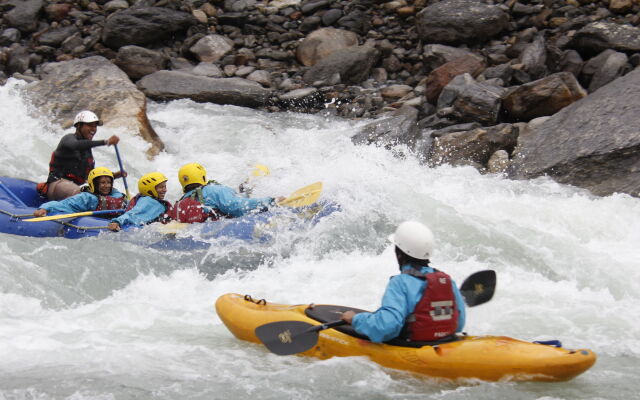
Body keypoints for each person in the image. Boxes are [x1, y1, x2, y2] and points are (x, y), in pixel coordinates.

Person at [340, 221, 466, 343]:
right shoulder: (447, 281)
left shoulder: (400, 283)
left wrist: (356, 319)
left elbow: (387, 327)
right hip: (446, 343)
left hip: (414, 348)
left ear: (399, 254)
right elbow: (459, 324)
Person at [40, 110, 124, 201]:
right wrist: (106, 142)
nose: (93, 129)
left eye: (95, 126)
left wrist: (113, 176)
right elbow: (76, 145)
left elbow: (90, 178)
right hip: (57, 184)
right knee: (83, 195)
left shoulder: (87, 152)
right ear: (79, 126)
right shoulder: (68, 139)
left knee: (114, 196)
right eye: (90, 125)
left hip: (76, 188)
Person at [169, 163, 285, 223]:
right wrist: (272, 201)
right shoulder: (214, 190)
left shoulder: (182, 201)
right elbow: (238, 207)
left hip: (201, 228)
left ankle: (246, 188)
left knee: (242, 193)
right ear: (202, 176)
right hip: (222, 225)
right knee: (243, 193)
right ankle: (248, 185)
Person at [33, 167, 127, 218]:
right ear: (94, 184)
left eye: (109, 182)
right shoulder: (86, 198)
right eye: (102, 183)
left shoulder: (117, 195)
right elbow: (65, 205)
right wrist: (45, 209)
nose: (107, 186)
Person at [107, 172, 172, 231]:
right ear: (150, 189)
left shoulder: (146, 199)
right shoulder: (149, 202)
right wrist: (117, 221)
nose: (165, 190)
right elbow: (132, 214)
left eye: (165, 187)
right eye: (161, 187)